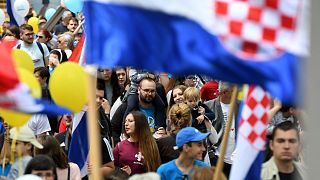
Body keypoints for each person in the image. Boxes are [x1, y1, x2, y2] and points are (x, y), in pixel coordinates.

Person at [111, 76, 166, 145]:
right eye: (146, 90)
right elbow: (113, 128)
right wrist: (119, 145)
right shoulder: (125, 107)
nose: (149, 93)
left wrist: (164, 132)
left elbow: (164, 128)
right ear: (139, 90)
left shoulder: (159, 109)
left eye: (152, 91)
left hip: (152, 149)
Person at [204, 81, 239, 178]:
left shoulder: (240, 106)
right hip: (217, 157)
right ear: (224, 92)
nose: (236, 93)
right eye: (233, 91)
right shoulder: (208, 106)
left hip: (237, 158)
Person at [113, 111, 161, 175]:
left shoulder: (152, 145)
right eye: (125, 121)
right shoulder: (120, 146)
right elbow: (112, 169)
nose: (126, 124)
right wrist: (121, 172)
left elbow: (156, 170)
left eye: (130, 121)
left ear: (140, 123)